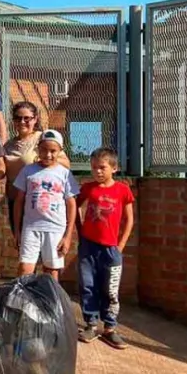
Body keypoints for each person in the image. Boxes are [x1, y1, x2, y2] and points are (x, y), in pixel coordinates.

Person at [76, 147, 135, 350]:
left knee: (110, 290)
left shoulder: (122, 190)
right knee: (87, 285)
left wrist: (120, 246)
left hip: (111, 250)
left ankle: (110, 328)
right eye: (93, 168)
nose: (97, 172)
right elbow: (74, 206)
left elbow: (129, 219)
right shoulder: (88, 188)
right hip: (88, 248)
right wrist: (80, 230)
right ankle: (91, 324)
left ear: (114, 168)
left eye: (102, 167)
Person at [13, 130, 80, 282]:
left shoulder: (64, 174)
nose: (48, 154)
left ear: (60, 151)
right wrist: (17, 230)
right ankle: (24, 303)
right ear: (38, 149)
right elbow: (19, 201)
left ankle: (50, 304)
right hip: (31, 227)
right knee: (25, 269)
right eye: (43, 150)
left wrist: (68, 236)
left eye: (53, 151)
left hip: (55, 228)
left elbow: (71, 204)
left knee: (51, 272)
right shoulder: (28, 170)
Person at [4, 101, 71, 242]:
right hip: (16, 204)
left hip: (39, 204)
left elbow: (66, 164)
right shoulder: (8, 145)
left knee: (43, 252)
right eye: (18, 118)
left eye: (27, 118)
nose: (22, 122)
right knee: (24, 249)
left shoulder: (42, 139)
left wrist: (41, 160)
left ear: (35, 119)